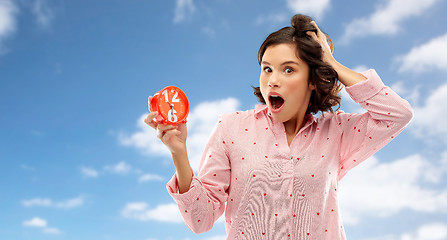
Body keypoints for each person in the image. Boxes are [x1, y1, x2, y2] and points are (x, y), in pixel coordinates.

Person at [144, 14, 413, 240]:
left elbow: (397, 115)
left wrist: (331, 63)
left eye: (288, 70)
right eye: (267, 69)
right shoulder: (231, 128)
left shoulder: (337, 132)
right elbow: (200, 220)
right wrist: (179, 153)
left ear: (312, 80)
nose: (272, 80)